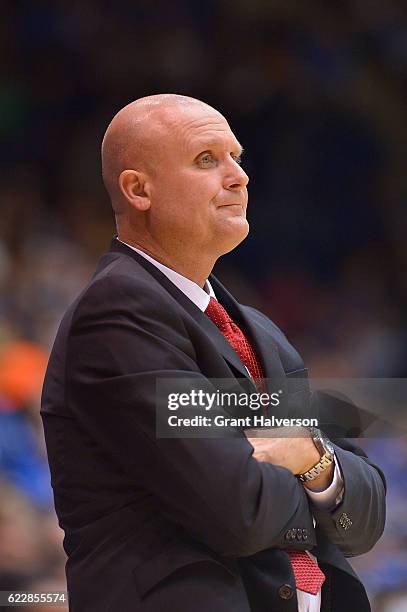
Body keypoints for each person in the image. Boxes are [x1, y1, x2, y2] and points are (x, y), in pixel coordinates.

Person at [41, 94, 386, 612]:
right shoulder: (117, 313)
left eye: (237, 158)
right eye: (207, 160)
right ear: (139, 189)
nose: (239, 176)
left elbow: (367, 519)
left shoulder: (262, 332)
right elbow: (238, 510)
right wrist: (322, 484)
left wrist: (310, 457)